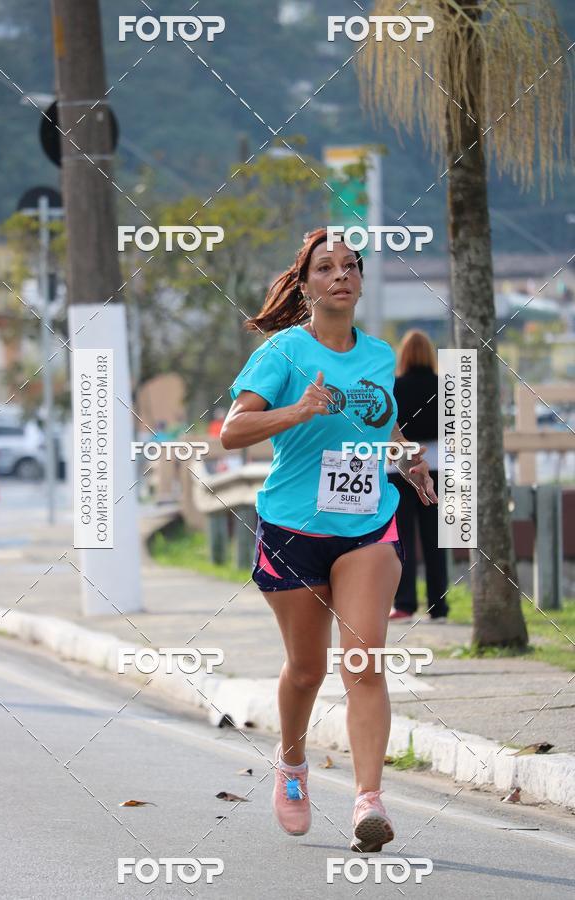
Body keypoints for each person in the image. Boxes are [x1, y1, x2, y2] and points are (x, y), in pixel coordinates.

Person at [220, 228, 437, 853]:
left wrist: (405, 456)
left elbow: (381, 416)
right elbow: (234, 432)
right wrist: (298, 410)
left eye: (350, 266)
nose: (340, 274)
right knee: (308, 668)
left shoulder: (377, 354)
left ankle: (369, 800)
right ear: (307, 283)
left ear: (361, 283)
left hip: (367, 525)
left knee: (363, 662)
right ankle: (291, 767)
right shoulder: (284, 353)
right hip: (293, 529)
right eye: (325, 267)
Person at [388, 330, 448, 621]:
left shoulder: (393, 386)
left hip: (399, 467)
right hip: (437, 465)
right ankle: (439, 605)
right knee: (436, 539)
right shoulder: (444, 386)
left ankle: (404, 603)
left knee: (402, 537)